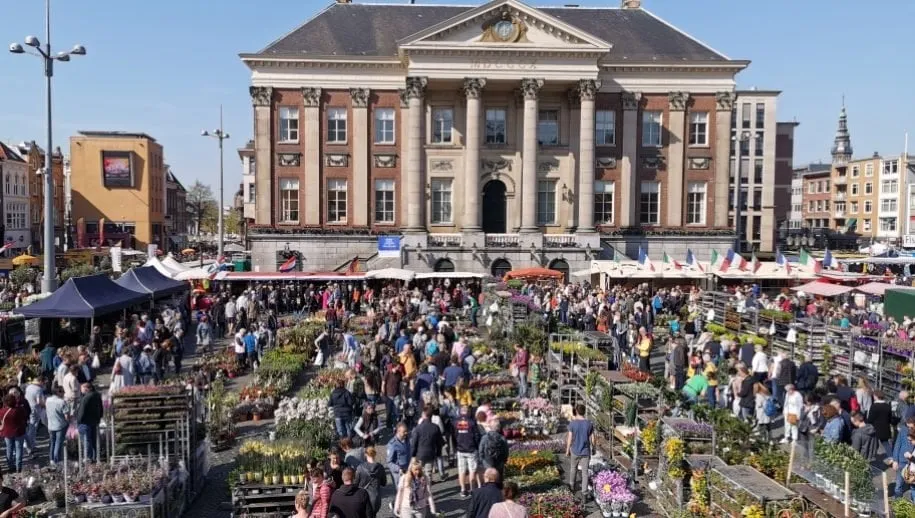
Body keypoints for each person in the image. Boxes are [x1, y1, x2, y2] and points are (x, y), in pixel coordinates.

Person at [566, 403, 593, 501]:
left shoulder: (572, 423)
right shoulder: (589, 424)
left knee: (573, 468)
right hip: (585, 452)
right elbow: (592, 438)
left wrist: (567, 450)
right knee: (585, 473)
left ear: (576, 411)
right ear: (584, 412)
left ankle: (572, 486)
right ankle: (584, 493)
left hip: (575, 450)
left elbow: (569, 438)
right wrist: (593, 447)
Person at [410, 405, 444, 482]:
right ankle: (428, 492)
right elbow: (439, 443)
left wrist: (413, 455)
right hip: (430, 454)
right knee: (428, 474)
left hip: (420, 455)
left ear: (424, 414)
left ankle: (420, 491)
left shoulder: (418, 428)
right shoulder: (435, 427)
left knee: (418, 474)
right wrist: (438, 454)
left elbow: (414, 443)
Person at [454, 404, 482, 498]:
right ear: (468, 412)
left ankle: (462, 490)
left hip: (460, 449)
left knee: (461, 470)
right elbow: (477, 436)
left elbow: (454, 435)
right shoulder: (472, 422)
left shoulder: (456, 422)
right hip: (471, 449)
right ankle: (472, 489)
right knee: (472, 470)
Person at [355, 446, 386, 516]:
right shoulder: (380, 467)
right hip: (375, 499)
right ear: (374, 454)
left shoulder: (360, 468)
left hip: (363, 498)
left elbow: (355, 484)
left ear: (365, 454)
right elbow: (384, 483)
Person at [76, 382, 103, 462]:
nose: (81, 391)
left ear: (87, 389)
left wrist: (78, 421)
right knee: (93, 440)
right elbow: (101, 408)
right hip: (94, 421)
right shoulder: (97, 395)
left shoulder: (86, 398)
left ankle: (88, 457)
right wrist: (99, 417)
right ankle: (94, 457)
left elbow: (81, 411)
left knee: (86, 440)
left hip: (85, 422)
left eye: (82, 389)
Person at [0, 394, 27, 473]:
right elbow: (25, 417)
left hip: (7, 433)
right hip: (19, 432)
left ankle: (10, 466)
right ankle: (19, 467)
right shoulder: (19, 410)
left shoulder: (2, 411)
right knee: (19, 450)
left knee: (9, 449)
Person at [867, 390, 893, 461]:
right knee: (886, 443)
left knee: (873, 444)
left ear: (876, 396)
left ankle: (871, 456)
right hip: (885, 428)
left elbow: (870, 419)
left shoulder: (874, 406)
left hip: (875, 428)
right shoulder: (887, 406)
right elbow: (890, 418)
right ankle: (891, 457)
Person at [45, 386, 68, 465]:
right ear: (59, 392)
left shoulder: (48, 400)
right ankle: (57, 459)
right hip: (60, 425)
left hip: (50, 425)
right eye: (62, 392)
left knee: (52, 442)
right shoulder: (62, 402)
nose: (64, 393)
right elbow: (66, 416)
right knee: (58, 442)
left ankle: (51, 459)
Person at [386, 423, 411, 490]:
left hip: (407, 470)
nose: (406, 433)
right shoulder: (392, 444)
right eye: (404, 432)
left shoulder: (407, 440)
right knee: (401, 492)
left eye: (406, 431)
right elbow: (389, 462)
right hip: (398, 473)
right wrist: (399, 469)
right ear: (398, 431)